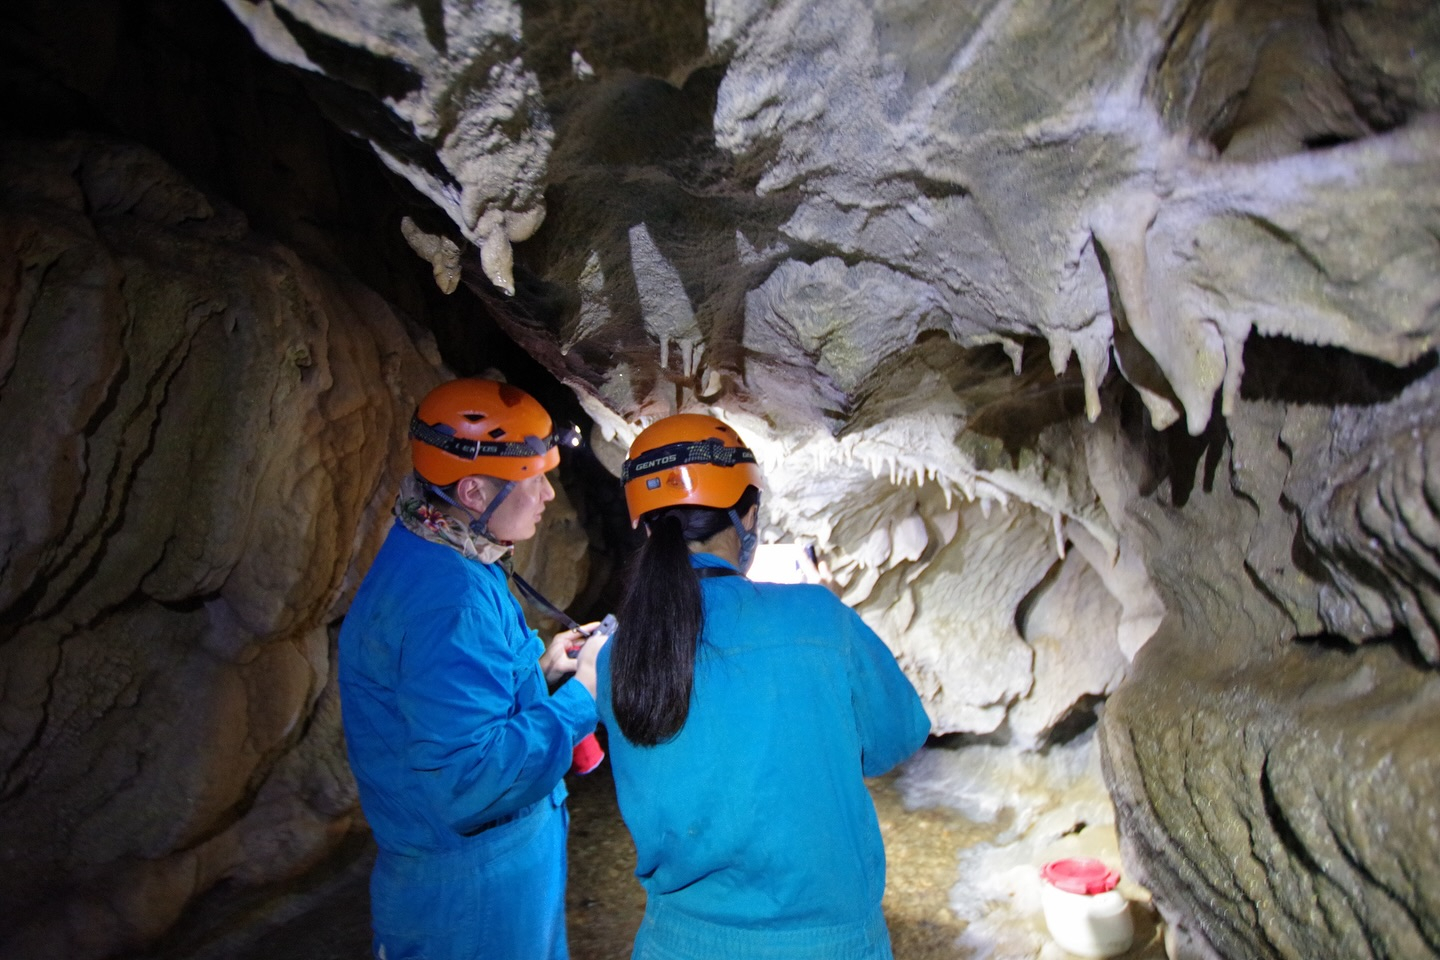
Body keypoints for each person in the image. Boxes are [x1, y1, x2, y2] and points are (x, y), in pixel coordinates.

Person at [597, 413, 932, 960]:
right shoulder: (816, 618)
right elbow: (896, 737)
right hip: (823, 944)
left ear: (647, 526)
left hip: (678, 943)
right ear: (748, 515)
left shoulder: (621, 653)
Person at [338, 377, 608, 960]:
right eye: (533, 479)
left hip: (490, 881)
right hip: (474, 902)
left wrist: (545, 669)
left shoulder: (438, 550)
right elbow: (472, 780)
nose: (548, 495)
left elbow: (453, 698)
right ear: (475, 492)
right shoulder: (448, 600)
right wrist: (584, 695)